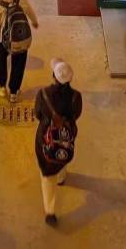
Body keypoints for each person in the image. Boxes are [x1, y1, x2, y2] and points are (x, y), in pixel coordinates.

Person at [35, 58, 83, 225]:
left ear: (53, 76)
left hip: (46, 137)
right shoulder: (76, 97)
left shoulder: (43, 94)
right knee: (63, 149)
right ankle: (62, 177)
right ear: (70, 79)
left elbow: (38, 114)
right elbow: (76, 115)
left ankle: (50, 211)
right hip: (67, 134)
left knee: (48, 173)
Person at [0, 0, 38, 103]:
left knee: (0, 58)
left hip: (4, 40)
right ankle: (14, 92)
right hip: (19, 38)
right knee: (19, 63)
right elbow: (29, 10)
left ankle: (2, 87)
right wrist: (34, 22)